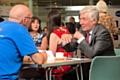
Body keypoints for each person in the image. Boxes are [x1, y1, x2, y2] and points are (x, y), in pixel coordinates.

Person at [62, 6, 115, 80]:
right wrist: (64, 40)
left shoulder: (102, 33)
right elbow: (70, 48)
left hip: (103, 69)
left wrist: (81, 39)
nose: (80, 23)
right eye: (80, 19)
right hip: (87, 68)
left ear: (94, 20)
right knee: (67, 76)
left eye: (84, 19)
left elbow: (92, 53)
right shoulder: (83, 30)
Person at [0, 4, 47, 80]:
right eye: (30, 19)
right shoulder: (20, 30)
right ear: (24, 20)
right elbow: (39, 60)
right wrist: (44, 56)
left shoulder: (1, 26)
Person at [47, 10, 73, 80]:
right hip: (69, 64)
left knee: (40, 70)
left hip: (59, 65)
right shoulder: (65, 30)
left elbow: (51, 54)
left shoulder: (54, 34)